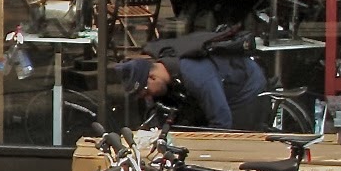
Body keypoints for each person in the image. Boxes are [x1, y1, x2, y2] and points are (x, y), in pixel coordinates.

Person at [116, 48, 271, 130]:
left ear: (152, 77)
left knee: (235, 135)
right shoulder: (166, 77)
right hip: (217, 85)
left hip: (245, 87)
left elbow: (222, 122)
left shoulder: (197, 77)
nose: (147, 98)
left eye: (147, 93)